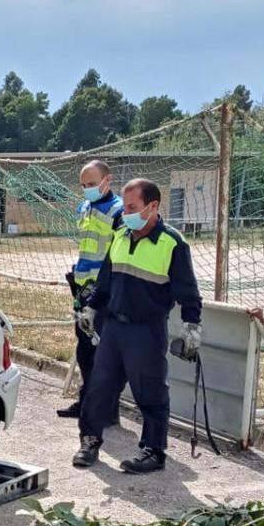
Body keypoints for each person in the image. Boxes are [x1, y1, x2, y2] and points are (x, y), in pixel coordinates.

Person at [73, 178, 203, 474]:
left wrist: (192, 325)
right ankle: (90, 440)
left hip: (146, 330)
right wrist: (91, 307)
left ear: (152, 206)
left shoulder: (172, 244)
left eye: (132, 207)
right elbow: (105, 280)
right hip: (114, 328)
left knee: (151, 391)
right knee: (99, 387)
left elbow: (188, 292)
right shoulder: (120, 235)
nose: (125, 212)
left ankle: (153, 451)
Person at [58, 160, 123, 419]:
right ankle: (87, 402)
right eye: (84, 185)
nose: (87, 189)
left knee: (103, 352)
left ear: (108, 180)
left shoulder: (118, 210)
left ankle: (106, 409)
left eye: (92, 184)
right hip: (83, 289)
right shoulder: (84, 207)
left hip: (105, 291)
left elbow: (114, 255)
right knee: (84, 349)